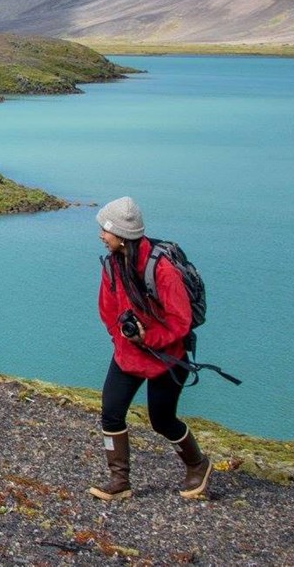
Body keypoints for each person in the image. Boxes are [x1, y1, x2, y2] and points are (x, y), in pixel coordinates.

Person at [87, 196, 212, 501]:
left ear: (121, 235)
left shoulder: (162, 269)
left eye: (105, 230)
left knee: (162, 420)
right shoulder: (113, 264)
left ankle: (198, 465)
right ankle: (119, 482)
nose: (101, 236)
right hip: (128, 354)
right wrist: (123, 339)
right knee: (111, 414)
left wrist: (148, 339)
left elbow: (180, 321)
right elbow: (107, 309)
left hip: (168, 357)